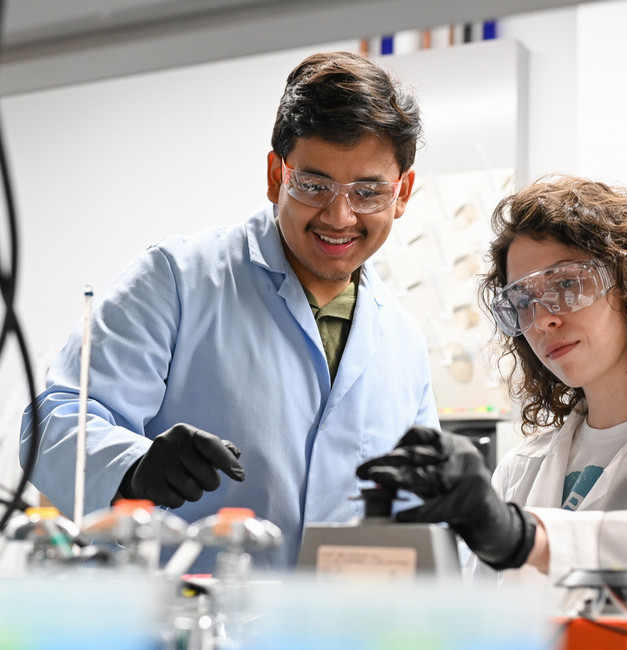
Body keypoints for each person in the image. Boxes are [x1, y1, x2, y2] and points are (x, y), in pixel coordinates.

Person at [20, 51, 439, 571]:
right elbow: (55, 423)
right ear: (275, 176)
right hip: (188, 625)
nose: (340, 215)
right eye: (313, 185)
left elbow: (425, 514)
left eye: (368, 191)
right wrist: (134, 468)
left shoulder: (403, 341)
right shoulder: (178, 278)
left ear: (402, 193)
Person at [357, 175, 627, 650]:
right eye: (523, 300)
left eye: (567, 284)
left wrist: (525, 537)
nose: (543, 317)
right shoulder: (523, 469)